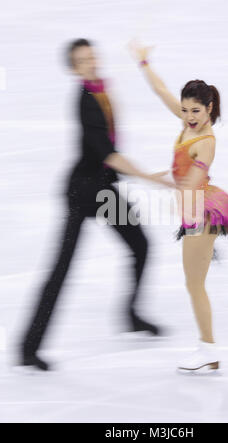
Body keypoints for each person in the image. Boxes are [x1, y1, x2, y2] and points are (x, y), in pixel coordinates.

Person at [19, 39, 174, 371]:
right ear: (74, 69)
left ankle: (131, 314)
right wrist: (152, 178)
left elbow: (108, 154)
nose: (91, 62)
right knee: (62, 269)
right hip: (83, 194)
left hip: (103, 192)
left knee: (140, 244)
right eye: (83, 60)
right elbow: (108, 154)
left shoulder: (101, 90)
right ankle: (28, 348)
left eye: (92, 56)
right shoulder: (86, 101)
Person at [129, 40, 228, 371]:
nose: (188, 117)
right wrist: (144, 63)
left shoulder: (206, 143)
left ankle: (208, 349)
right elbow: (161, 91)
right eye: (185, 110)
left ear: (209, 108)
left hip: (202, 211)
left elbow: (187, 184)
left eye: (196, 111)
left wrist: (144, 174)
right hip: (204, 204)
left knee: (194, 284)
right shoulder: (187, 123)